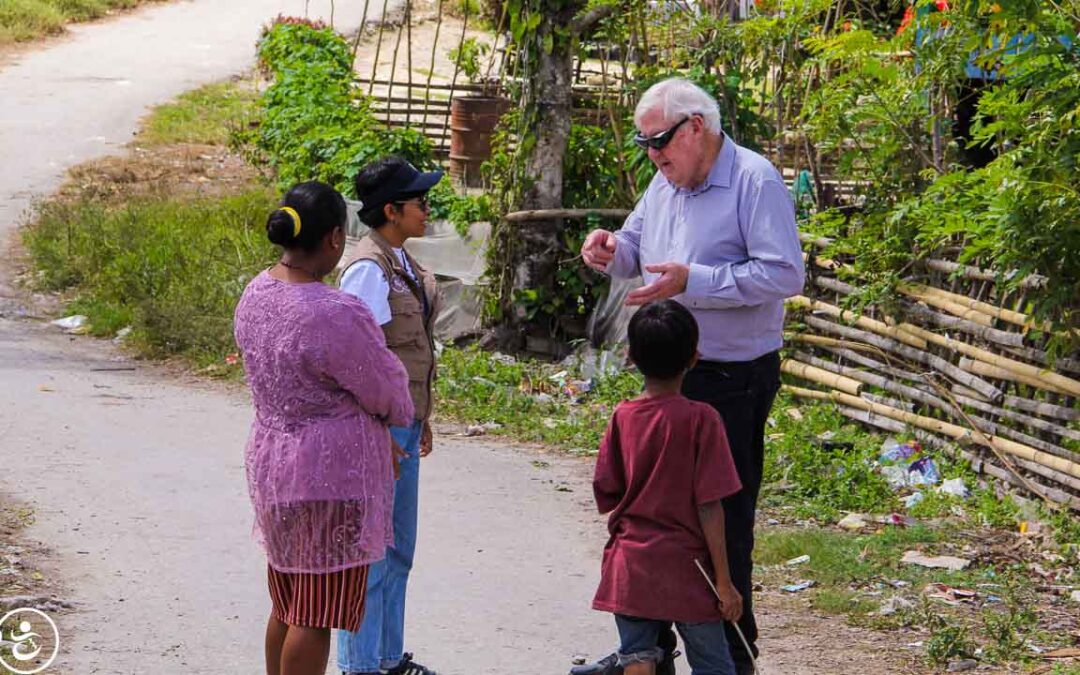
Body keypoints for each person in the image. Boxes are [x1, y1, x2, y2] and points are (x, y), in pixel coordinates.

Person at [579, 77, 805, 675]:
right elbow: (637, 244)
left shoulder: (755, 180)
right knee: (659, 521)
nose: (653, 155)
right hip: (671, 381)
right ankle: (645, 653)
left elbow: (785, 274)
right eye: (645, 145)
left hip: (731, 379)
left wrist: (695, 281)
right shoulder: (665, 179)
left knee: (721, 525)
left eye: (660, 142)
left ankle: (731, 656)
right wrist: (609, 249)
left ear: (696, 127)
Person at [234, 181, 415, 675]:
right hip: (329, 476)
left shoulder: (256, 293)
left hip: (273, 466)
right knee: (315, 614)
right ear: (335, 238)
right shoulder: (334, 312)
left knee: (287, 601)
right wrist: (396, 416)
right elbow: (385, 388)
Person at [592, 299, 744, 675]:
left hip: (631, 567)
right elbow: (710, 505)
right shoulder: (702, 420)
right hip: (688, 571)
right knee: (713, 667)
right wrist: (725, 584)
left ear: (630, 356)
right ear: (694, 358)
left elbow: (607, 489)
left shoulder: (623, 416)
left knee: (638, 659)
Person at [337, 157, 444, 675]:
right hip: (377, 432)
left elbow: (410, 353)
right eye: (420, 202)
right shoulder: (366, 271)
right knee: (372, 556)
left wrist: (420, 417)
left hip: (402, 426)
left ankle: (386, 658)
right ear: (391, 210)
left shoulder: (400, 262)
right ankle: (360, 665)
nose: (428, 209)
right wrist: (377, 433)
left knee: (398, 552)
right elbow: (358, 363)